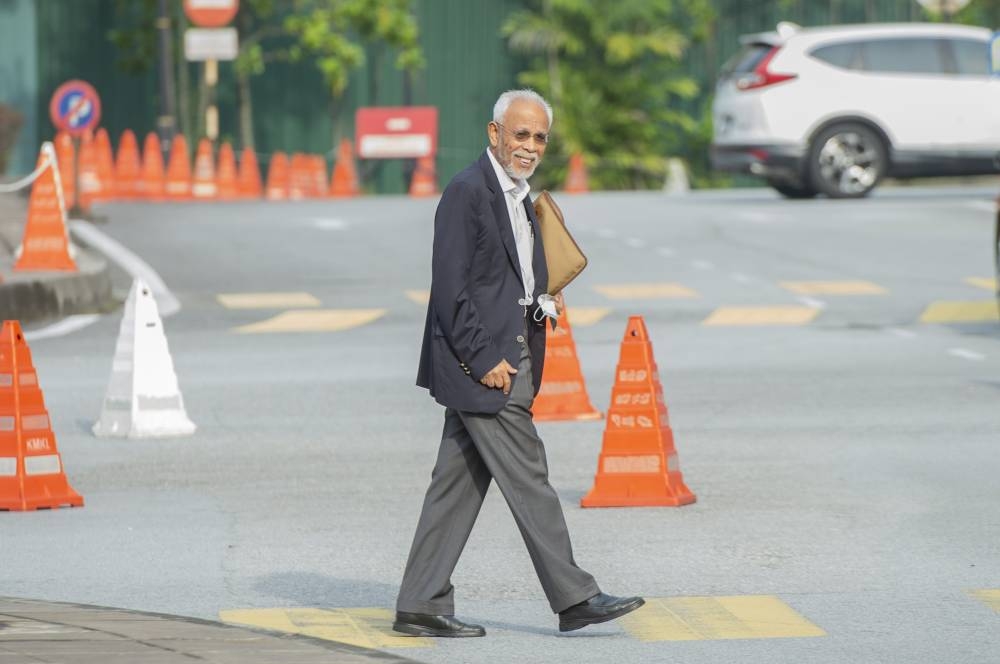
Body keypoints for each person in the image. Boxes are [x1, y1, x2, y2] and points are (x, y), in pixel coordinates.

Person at [393, 89, 643, 638]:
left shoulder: (520, 197)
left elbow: (507, 280)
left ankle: (420, 603)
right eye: (520, 134)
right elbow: (450, 290)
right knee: (530, 477)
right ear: (494, 134)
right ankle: (575, 596)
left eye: (539, 138)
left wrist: (541, 302)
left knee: (454, 487)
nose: (529, 146)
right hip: (486, 363)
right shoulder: (467, 193)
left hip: (512, 350)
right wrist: (485, 359)